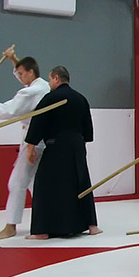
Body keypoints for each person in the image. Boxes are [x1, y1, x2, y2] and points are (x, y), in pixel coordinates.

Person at [0, 47, 51, 239]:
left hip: (34, 140)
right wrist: (13, 59)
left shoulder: (31, 92)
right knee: (35, 184)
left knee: (16, 183)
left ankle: (11, 225)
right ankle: (48, 221)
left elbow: (8, 110)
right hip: (43, 139)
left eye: (21, 73)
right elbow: (25, 78)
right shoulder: (43, 86)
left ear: (30, 72)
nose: (19, 76)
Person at [23, 66, 101, 239]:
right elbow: (87, 128)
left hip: (57, 144)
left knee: (44, 183)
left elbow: (38, 120)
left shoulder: (51, 98)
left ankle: (42, 231)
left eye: (50, 79)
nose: (49, 83)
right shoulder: (80, 98)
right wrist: (80, 145)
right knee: (80, 181)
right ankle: (92, 225)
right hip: (77, 144)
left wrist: (30, 146)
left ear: (56, 78)